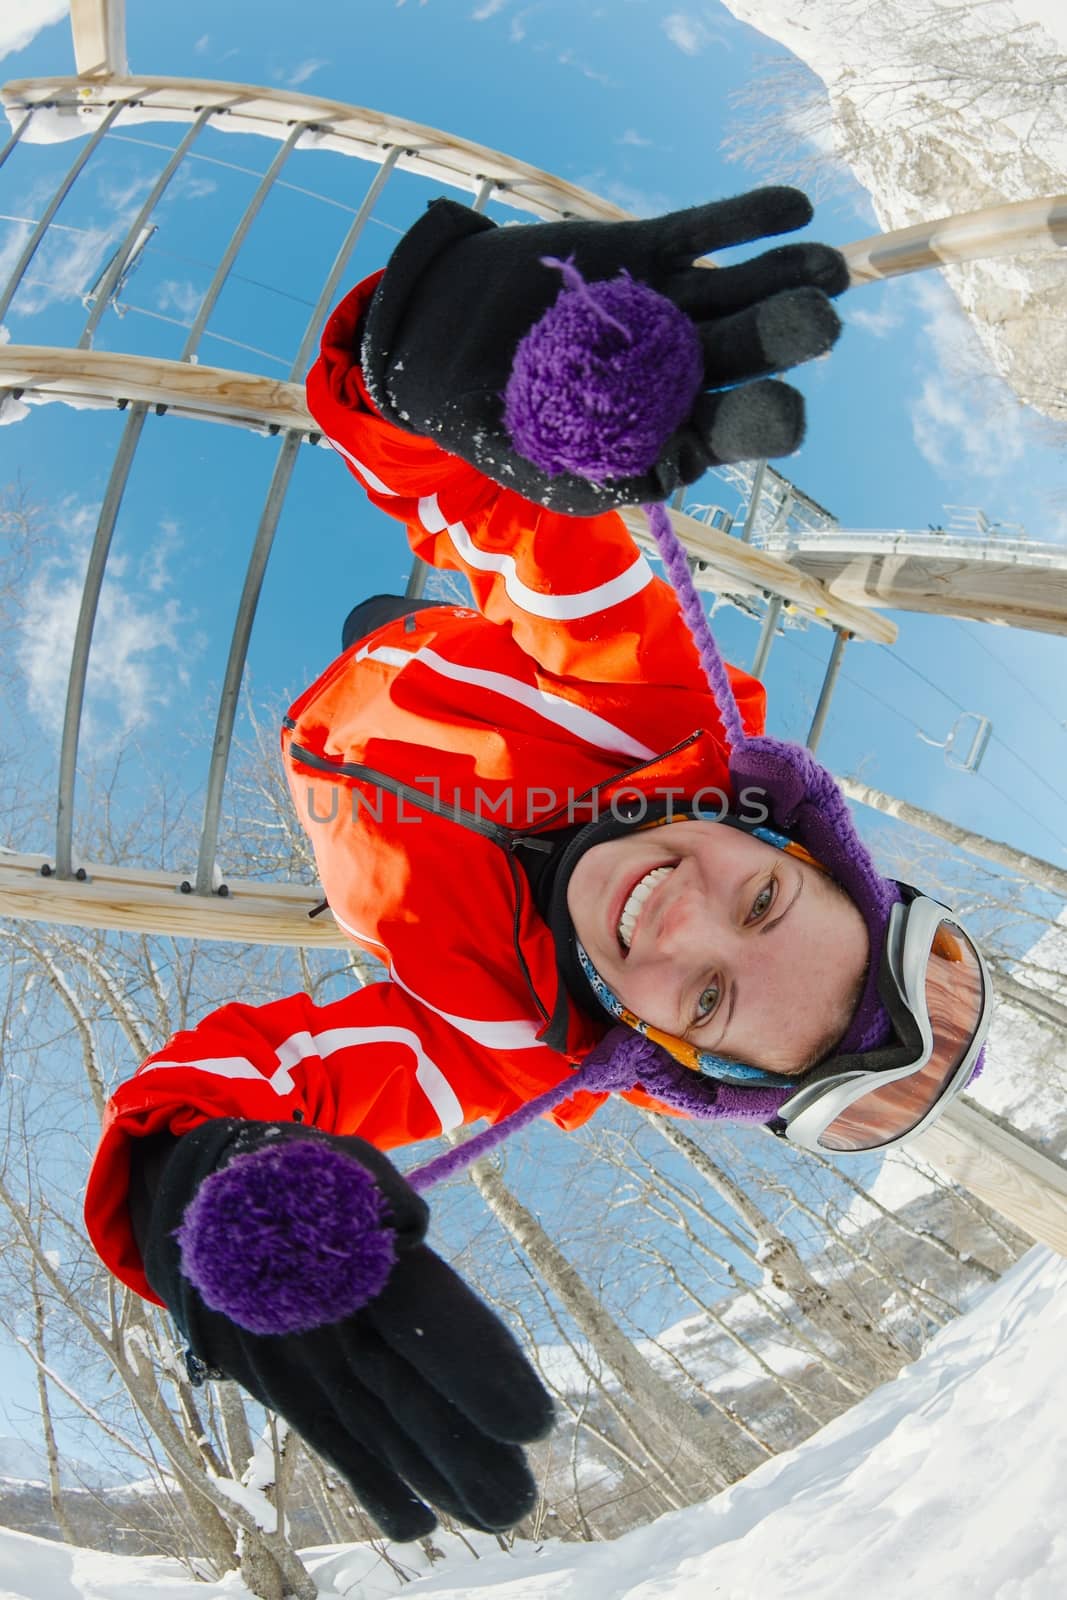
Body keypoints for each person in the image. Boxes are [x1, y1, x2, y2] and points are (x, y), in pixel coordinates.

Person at [83, 187, 992, 1543]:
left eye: (702, 1002)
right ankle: (396, 626)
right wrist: (439, 380)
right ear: (779, 837)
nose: (677, 915)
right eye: (759, 901)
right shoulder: (657, 696)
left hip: (337, 791)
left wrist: (197, 1187)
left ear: (663, 1054)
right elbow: (542, 541)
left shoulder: (495, 1044)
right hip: (428, 675)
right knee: (412, 607)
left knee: (355, 698)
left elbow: (249, 1077)